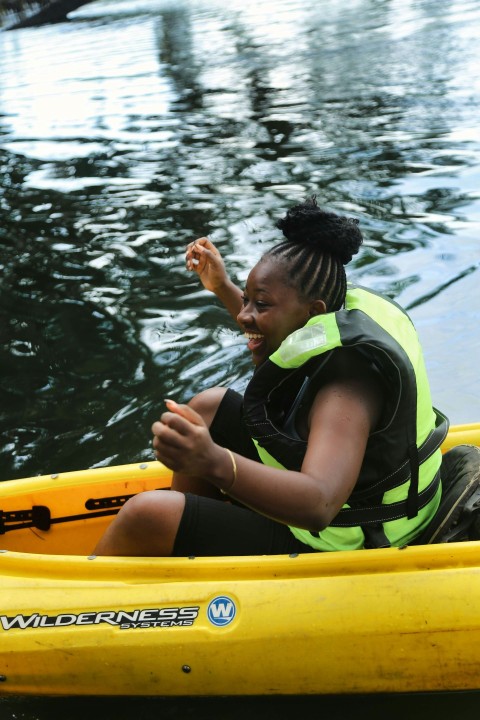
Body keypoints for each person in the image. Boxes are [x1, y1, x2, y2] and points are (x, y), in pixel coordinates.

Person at [94, 197, 448, 557]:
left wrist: (213, 461)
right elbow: (281, 329)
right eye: (247, 301)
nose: (245, 315)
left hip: (352, 539)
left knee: (146, 514)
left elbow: (319, 505)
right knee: (207, 408)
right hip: (353, 497)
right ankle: (195, 554)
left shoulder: (346, 391)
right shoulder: (334, 308)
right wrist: (223, 287)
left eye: (259, 304)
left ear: (315, 311)